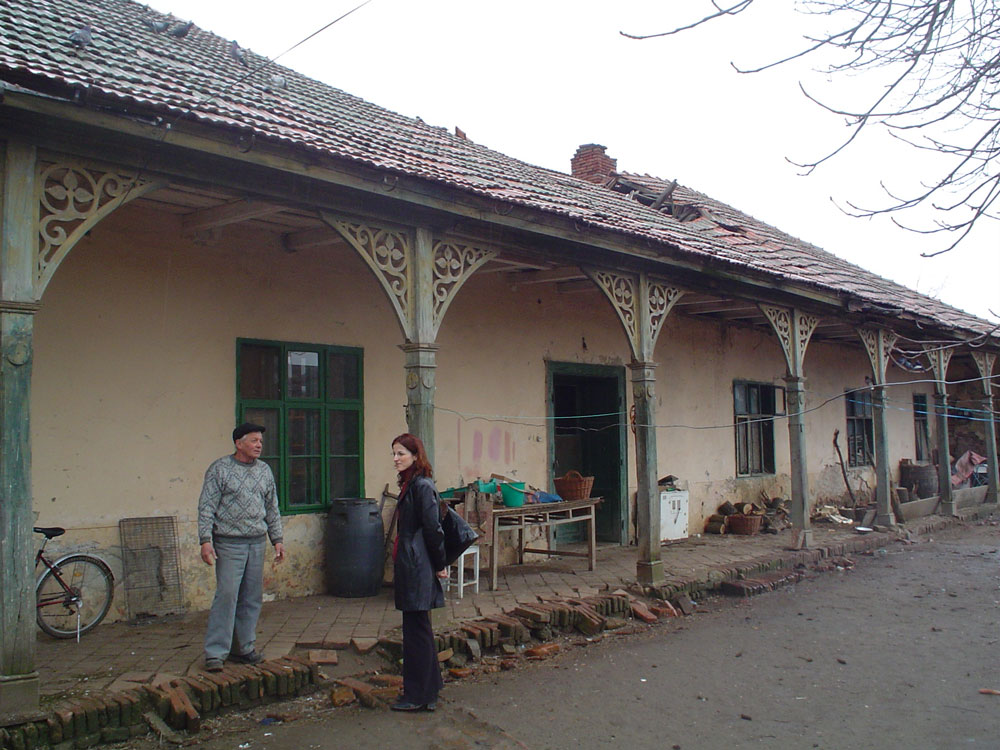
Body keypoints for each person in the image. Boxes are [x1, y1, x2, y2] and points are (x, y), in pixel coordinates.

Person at [198, 423, 285, 672]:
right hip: (228, 543)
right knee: (226, 596)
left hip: (256, 542)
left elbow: (272, 507)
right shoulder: (220, 469)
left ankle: (243, 648)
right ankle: (215, 652)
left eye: (260, 441)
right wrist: (205, 540)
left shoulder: (264, 471)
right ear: (239, 443)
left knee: (251, 598)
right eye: (254, 440)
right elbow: (206, 507)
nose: (259, 445)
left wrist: (277, 539)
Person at [390, 433, 448, 712]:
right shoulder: (410, 485)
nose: (396, 459)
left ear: (415, 456)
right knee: (417, 628)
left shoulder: (422, 486)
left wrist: (439, 564)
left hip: (417, 564)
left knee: (416, 630)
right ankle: (428, 689)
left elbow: (433, 528)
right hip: (412, 562)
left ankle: (418, 695)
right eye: (394, 454)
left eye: (401, 453)